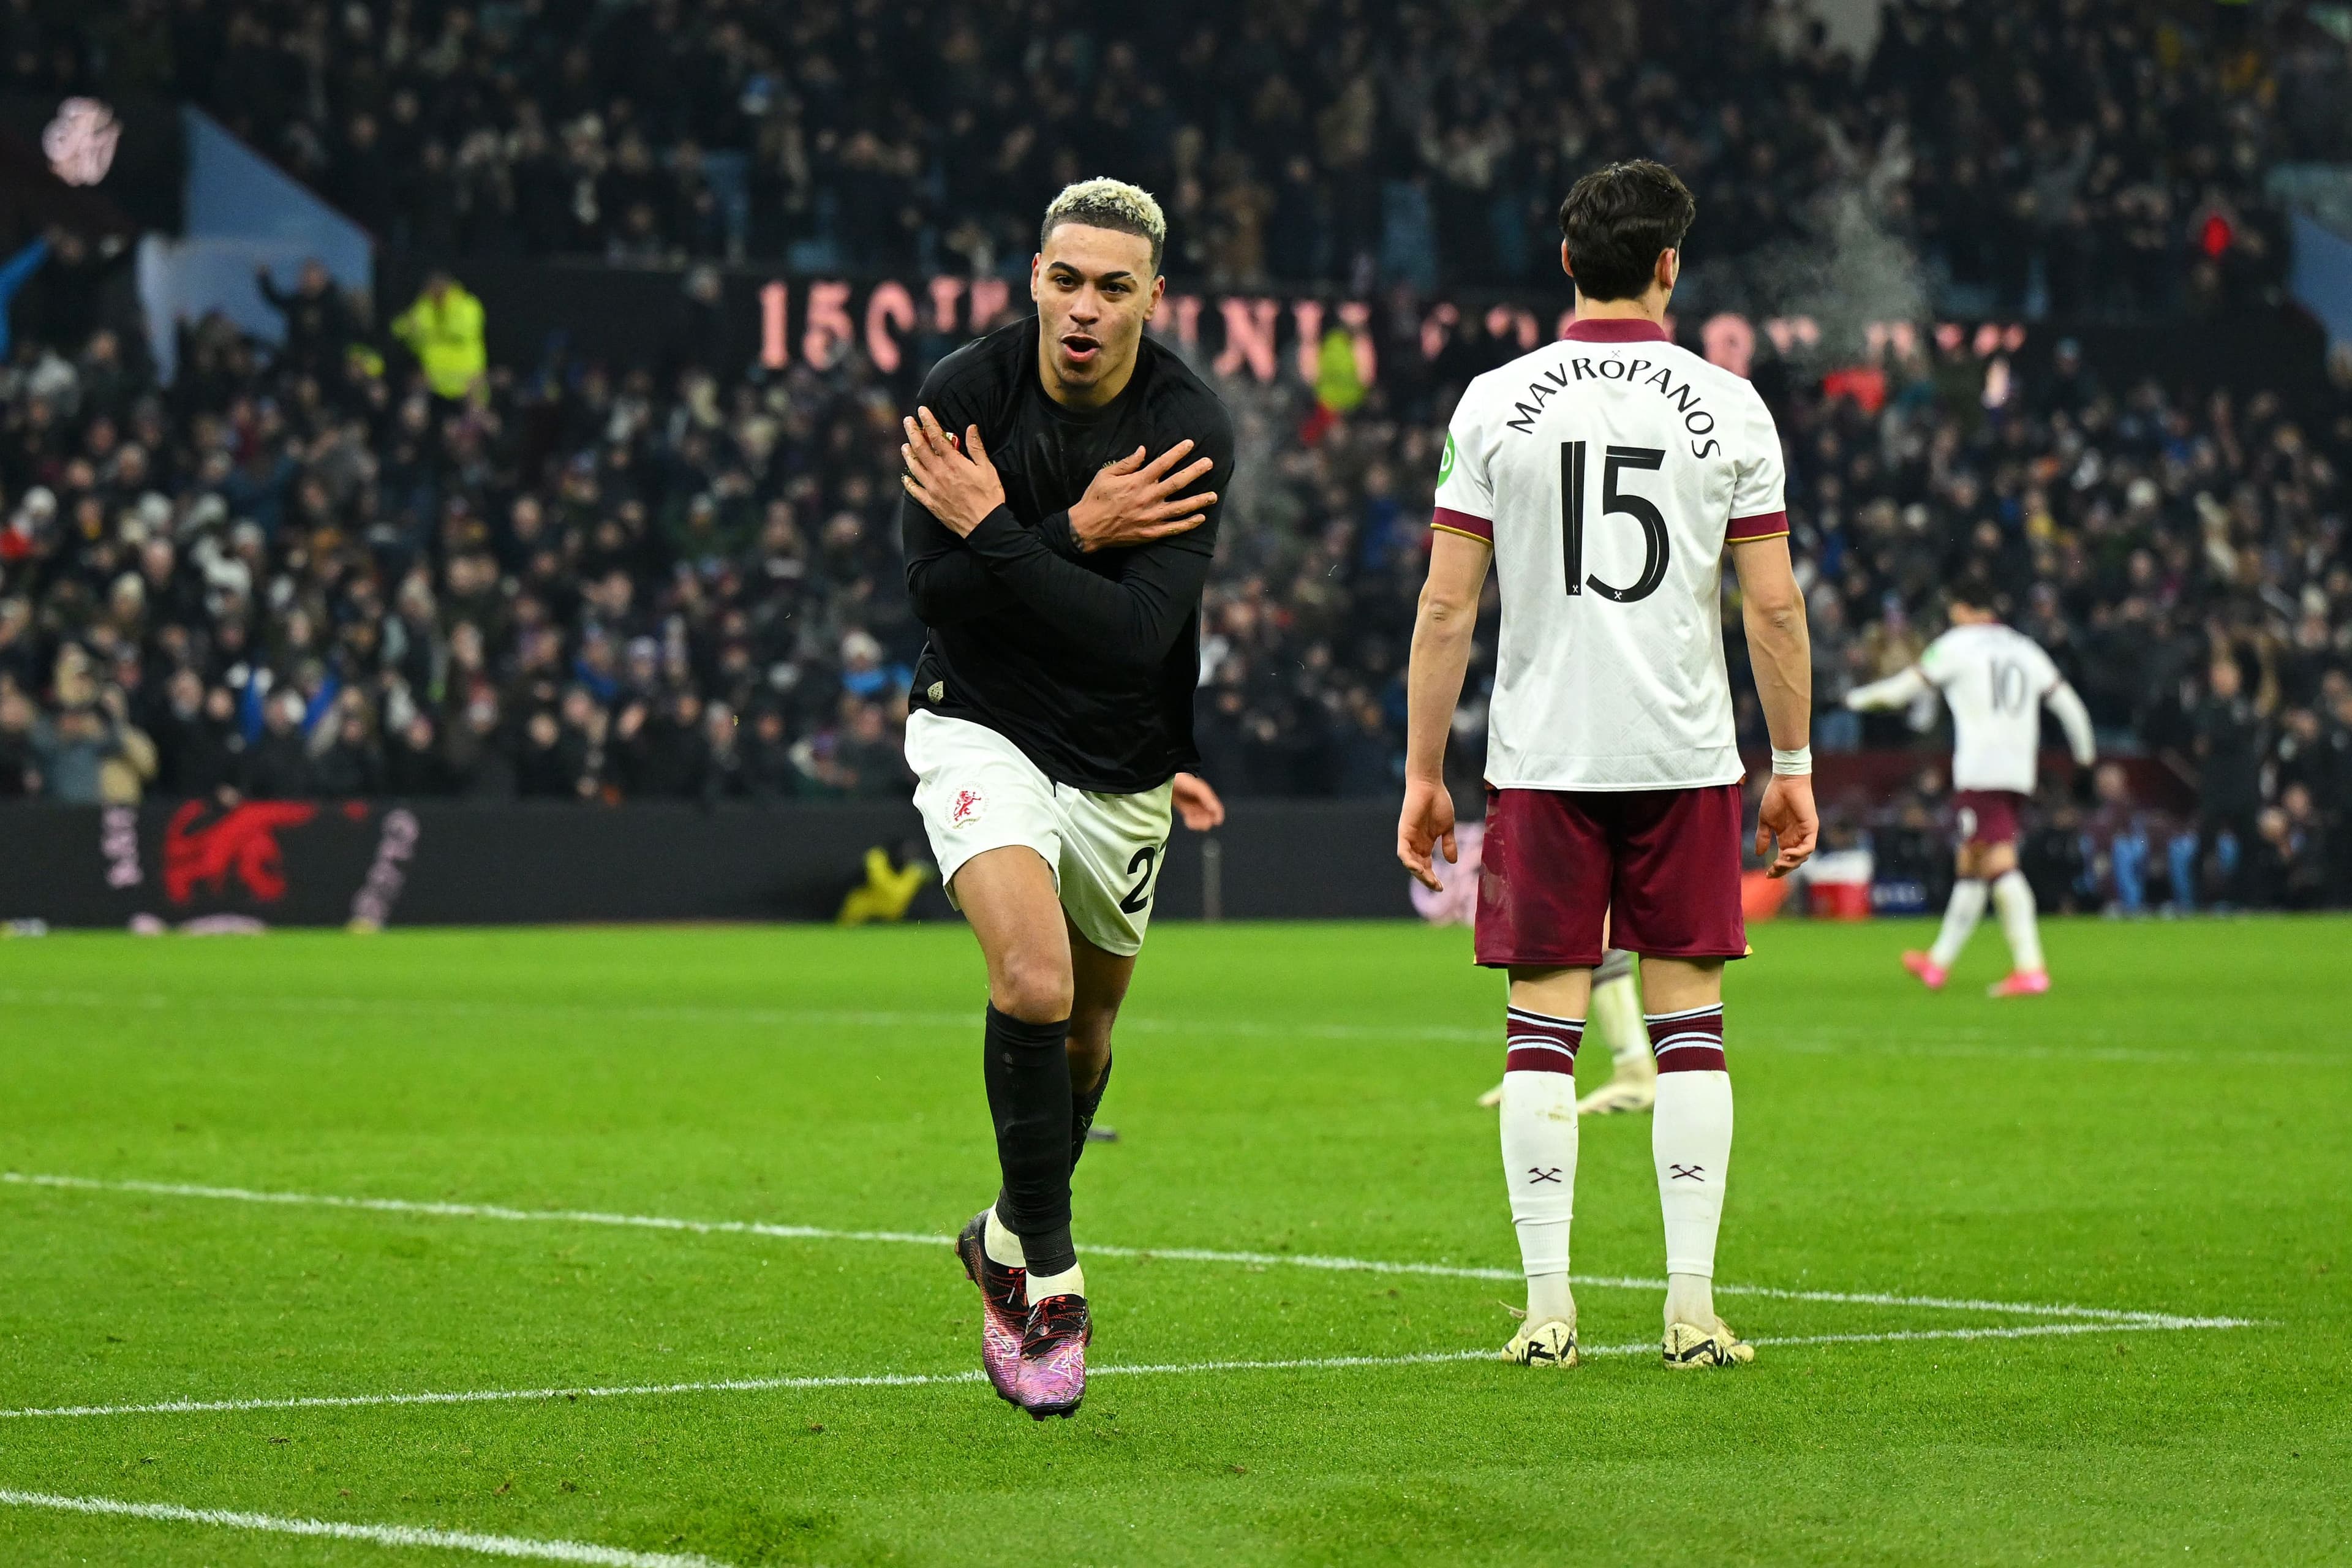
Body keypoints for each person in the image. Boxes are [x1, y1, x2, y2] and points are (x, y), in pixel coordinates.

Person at [1397, 160, 1817, 1373]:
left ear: (1568, 264)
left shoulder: (1494, 402)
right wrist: (1789, 758)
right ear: (1671, 268)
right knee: (1691, 1022)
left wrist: (1427, 770)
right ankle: (1691, 1305)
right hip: (1683, 752)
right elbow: (1773, 607)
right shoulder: (1730, 406)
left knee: (1542, 1030)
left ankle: (1547, 1308)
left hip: (1541, 754)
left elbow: (1445, 604)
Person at [898, 178, 1234, 1420]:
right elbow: (933, 598)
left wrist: (1006, 530)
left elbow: (1139, 631)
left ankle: (999, 1230)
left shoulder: (1189, 422)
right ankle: (1051, 1271)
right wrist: (1077, 531)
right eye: (1065, 279)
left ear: (1155, 296)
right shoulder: (965, 394)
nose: (1084, 308)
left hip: (1123, 755)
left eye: (1114, 285)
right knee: (1032, 982)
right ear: (1032, 276)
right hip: (977, 724)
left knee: (1087, 1036)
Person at [1845, 593, 2095, 995]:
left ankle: (2031, 968)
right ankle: (1938, 963)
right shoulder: (2024, 647)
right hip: (2018, 768)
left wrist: (1849, 700)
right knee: (1973, 862)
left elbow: (1898, 693)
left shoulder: (1956, 645)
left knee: (1998, 861)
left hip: (1982, 769)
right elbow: (2071, 708)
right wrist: (2085, 762)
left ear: (1961, 609)